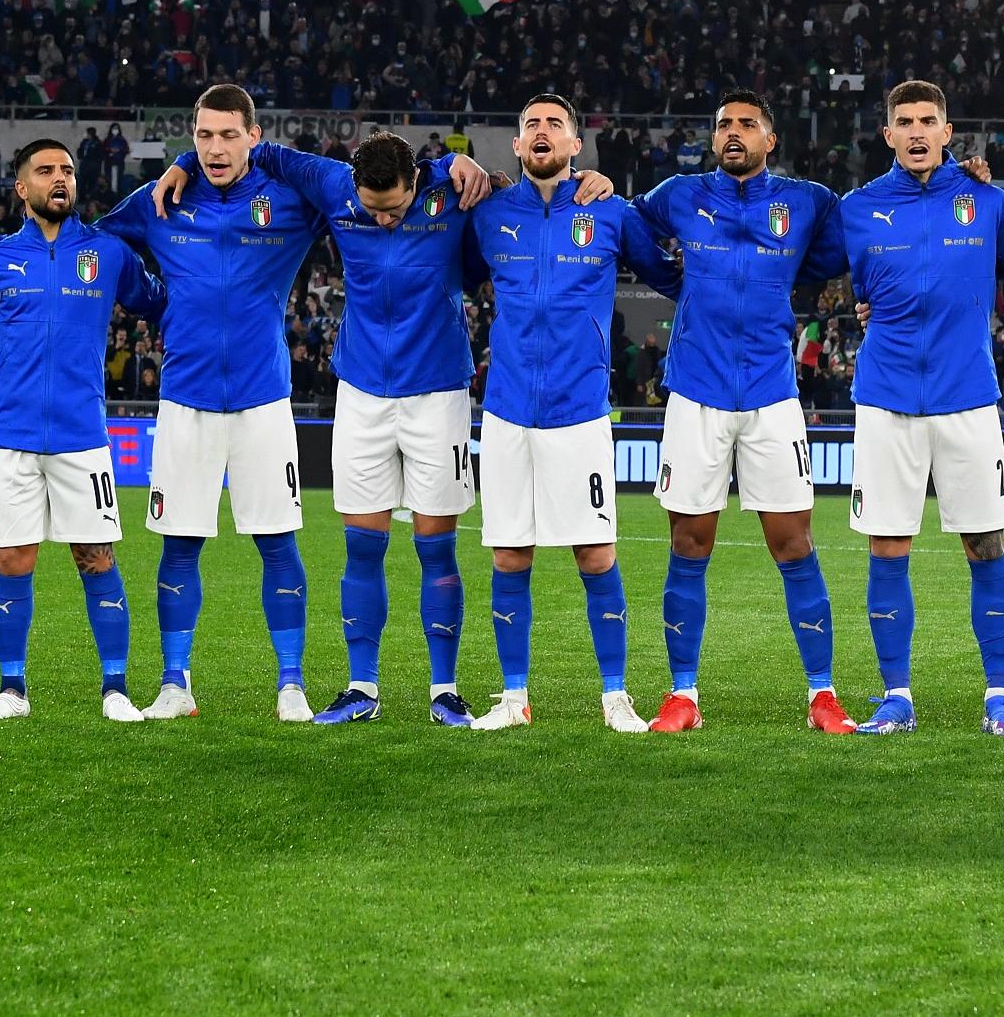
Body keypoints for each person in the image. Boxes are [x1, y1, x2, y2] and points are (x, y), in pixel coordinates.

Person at [0, 83, 489, 723]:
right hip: (185, 400)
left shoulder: (292, 196)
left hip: (264, 398)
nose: (214, 148)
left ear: (253, 137)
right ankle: (174, 683)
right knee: (179, 545)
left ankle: (290, 683)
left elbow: (370, 174)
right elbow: (70, 245)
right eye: (203, 137)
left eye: (228, 135)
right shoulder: (158, 201)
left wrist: (446, 164)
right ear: (192, 136)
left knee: (278, 543)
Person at [149, 127, 543, 728]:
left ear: (419, 182)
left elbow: (512, 198)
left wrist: (476, 165)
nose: (382, 221)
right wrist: (183, 162)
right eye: (370, 210)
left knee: (435, 547)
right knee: (362, 548)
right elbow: (258, 150)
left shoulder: (450, 188)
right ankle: (362, 686)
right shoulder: (333, 184)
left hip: (437, 391)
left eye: (394, 209)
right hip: (359, 391)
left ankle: (444, 689)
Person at [629, 90, 856, 735]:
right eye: (724, 124)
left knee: (793, 542)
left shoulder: (806, 201)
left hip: (771, 394)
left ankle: (822, 695)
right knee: (688, 541)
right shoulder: (680, 192)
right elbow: (630, 227)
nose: (733, 133)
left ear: (770, 139)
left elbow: (843, 247)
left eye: (747, 124)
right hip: (695, 391)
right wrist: (672, 280)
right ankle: (682, 695)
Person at [462, 94, 681, 732]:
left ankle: (615, 696)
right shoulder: (491, 214)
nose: (541, 132)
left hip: (581, 410)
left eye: (554, 124)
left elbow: (671, 279)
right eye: (530, 124)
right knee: (509, 556)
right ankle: (512, 698)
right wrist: (453, 174)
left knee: (596, 553)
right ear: (516, 143)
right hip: (504, 411)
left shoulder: (609, 211)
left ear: (575, 145)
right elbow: (452, 272)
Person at [839, 80, 1004, 736]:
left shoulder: (983, 200)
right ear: (889, 135)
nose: (918, 131)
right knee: (887, 546)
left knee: (985, 544)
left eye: (929, 120)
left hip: (966, 396)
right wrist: (847, 302)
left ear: (948, 130)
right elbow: (818, 279)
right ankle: (895, 697)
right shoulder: (857, 208)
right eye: (905, 121)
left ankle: (999, 697)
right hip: (885, 396)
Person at [0, 139, 167, 721]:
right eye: (45, 170)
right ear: (21, 188)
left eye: (68, 171)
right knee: (13, 560)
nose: (60, 178)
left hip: (82, 437)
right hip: (9, 438)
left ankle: (116, 689)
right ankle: (11, 690)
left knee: (96, 557)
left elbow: (161, 305)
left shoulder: (108, 252)